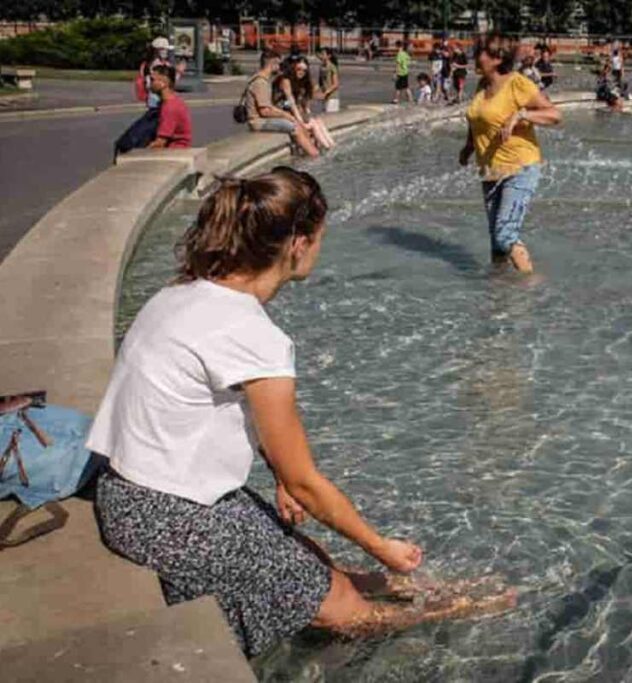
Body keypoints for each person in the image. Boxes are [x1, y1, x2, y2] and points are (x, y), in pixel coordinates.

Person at [88, 167, 515, 659]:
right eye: (320, 238)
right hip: (169, 519)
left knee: (311, 557)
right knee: (344, 611)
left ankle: (383, 586)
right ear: (297, 244)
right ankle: (454, 609)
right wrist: (382, 546)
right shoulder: (252, 335)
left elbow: (216, 413)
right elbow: (307, 484)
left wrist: (281, 478)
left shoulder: (181, 293)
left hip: (128, 493)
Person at [458, 33, 563, 275]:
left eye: (480, 52)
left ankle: (532, 286)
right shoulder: (483, 85)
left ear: (497, 58)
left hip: (519, 168)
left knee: (505, 234)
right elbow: (477, 120)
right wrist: (468, 147)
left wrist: (522, 114)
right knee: (497, 242)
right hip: (490, 170)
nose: (475, 57)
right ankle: (499, 288)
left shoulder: (517, 83)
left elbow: (555, 115)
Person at [244, 49, 319, 158]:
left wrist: (288, 115)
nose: (279, 67)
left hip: (261, 120)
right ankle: (314, 155)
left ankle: (308, 153)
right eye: (278, 64)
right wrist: (286, 115)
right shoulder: (260, 82)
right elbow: (265, 111)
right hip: (258, 122)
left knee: (297, 123)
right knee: (294, 126)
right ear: (272, 63)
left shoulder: (262, 80)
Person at [275, 57, 334, 150]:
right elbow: (290, 102)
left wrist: (309, 115)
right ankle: (327, 148)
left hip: (293, 108)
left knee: (318, 121)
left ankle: (331, 146)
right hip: (281, 107)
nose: (301, 72)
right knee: (312, 124)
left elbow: (304, 103)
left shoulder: (301, 81)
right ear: (293, 68)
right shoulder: (286, 80)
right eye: (299, 69)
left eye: (304, 70)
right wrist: (301, 121)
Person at [147, 65, 191, 149]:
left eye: (152, 80)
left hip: (174, 150)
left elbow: (160, 143)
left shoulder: (170, 107)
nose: (149, 83)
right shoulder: (171, 102)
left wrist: (136, 152)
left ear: (164, 83)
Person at [136, 37, 171, 110]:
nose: (165, 51)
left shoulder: (164, 63)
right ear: (156, 50)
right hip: (157, 96)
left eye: (166, 49)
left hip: (159, 95)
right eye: (163, 49)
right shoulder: (155, 64)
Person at [317, 47, 340, 114]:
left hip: (332, 98)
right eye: (321, 54)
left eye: (323, 54)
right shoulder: (321, 67)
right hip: (325, 98)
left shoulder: (332, 67)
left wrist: (326, 92)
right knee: (324, 116)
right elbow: (320, 83)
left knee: (331, 117)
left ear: (329, 56)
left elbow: (336, 84)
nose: (321, 56)